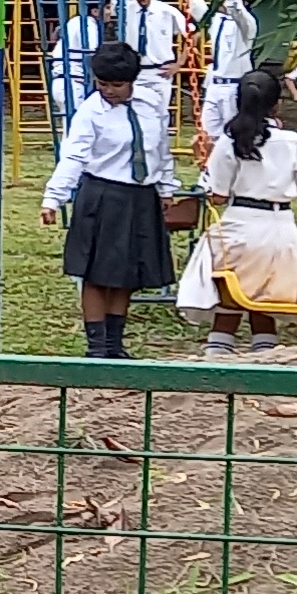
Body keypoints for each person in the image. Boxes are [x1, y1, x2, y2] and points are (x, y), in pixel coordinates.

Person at [42, 41, 177, 358]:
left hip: (139, 195)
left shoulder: (151, 104)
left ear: (131, 81)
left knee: (126, 273)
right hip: (103, 194)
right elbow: (74, 156)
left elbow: (160, 148)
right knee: (96, 273)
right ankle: (97, 346)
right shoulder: (91, 112)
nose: (109, 91)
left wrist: (166, 187)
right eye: (102, 84)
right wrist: (53, 198)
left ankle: (115, 344)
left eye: (117, 84)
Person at [177, 64, 297, 355]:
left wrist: (204, 162)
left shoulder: (230, 142)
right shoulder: (294, 142)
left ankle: (218, 353)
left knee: (230, 293)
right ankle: (265, 353)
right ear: (277, 105)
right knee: (265, 295)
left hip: (240, 226)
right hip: (280, 229)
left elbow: (217, 196)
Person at [196, 0, 258, 148]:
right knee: (208, 131)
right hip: (214, 84)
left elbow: (237, 10)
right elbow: (199, 9)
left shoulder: (247, 25)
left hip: (234, 85)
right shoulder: (217, 20)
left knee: (233, 132)